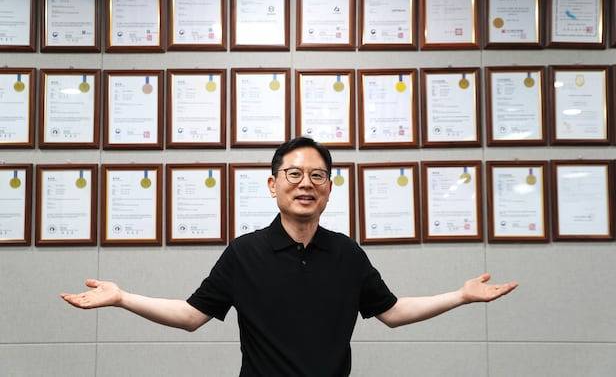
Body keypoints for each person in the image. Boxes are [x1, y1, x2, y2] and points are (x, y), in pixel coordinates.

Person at [61, 137, 517, 376]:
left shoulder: (346, 253)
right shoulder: (245, 253)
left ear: (329, 189)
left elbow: (393, 312)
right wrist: (122, 298)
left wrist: (461, 296)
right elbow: (191, 316)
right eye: (294, 174)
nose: (306, 184)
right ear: (273, 184)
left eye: (318, 176)